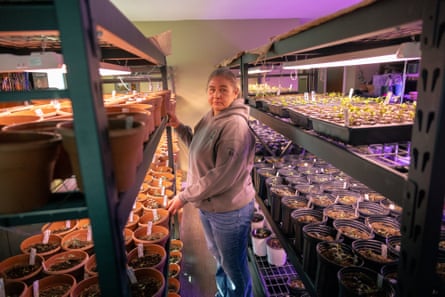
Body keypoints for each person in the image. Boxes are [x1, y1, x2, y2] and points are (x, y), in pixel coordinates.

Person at [167, 67, 256, 297]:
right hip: (210, 207)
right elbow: (197, 145)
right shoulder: (211, 116)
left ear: (235, 93)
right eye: (212, 89)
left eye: (223, 90)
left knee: (233, 266)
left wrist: (184, 196)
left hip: (230, 212)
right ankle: (224, 293)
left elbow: (220, 177)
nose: (216, 95)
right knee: (220, 258)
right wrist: (178, 126)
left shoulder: (234, 126)